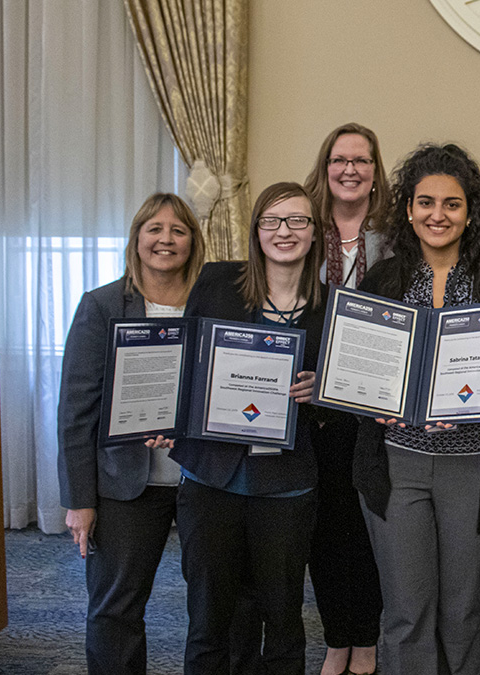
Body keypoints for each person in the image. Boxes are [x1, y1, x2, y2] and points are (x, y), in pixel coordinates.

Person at [352, 143, 480, 675]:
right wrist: (370, 402)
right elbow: (359, 368)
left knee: (460, 612)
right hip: (395, 464)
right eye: (425, 202)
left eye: (451, 204)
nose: (437, 214)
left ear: (470, 212)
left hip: (470, 466)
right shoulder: (382, 281)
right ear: (408, 210)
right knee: (407, 613)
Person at [167, 182, 325, 675]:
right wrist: (161, 417)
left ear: (315, 233)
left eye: (298, 220)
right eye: (273, 220)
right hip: (211, 480)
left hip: (286, 485)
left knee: (282, 620)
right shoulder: (216, 284)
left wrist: (323, 392)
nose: (285, 231)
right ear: (256, 231)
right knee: (209, 619)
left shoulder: (334, 309)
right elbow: (183, 364)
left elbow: (350, 401)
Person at [57, 193, 205, 675]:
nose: (166, 240)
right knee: (116, 609)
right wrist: (80, 500)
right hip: (125, 485)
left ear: (192, 240)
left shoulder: (213, 303)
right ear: (137, 238)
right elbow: (77, 411)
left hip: (203, 481)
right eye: (154, 229)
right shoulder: (101, 305)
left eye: (178, 231)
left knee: (215, 610)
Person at [302, 122, 390, 675]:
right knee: (325, 529)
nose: (350, 169)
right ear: (325, 166)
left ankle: (370, 638)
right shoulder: (301, 228)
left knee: (371, 528)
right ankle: (338, 637)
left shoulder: (394, 236)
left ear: (375, 171)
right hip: (315, 407)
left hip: (376, 405)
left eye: (361, 160)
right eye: (340, 160)